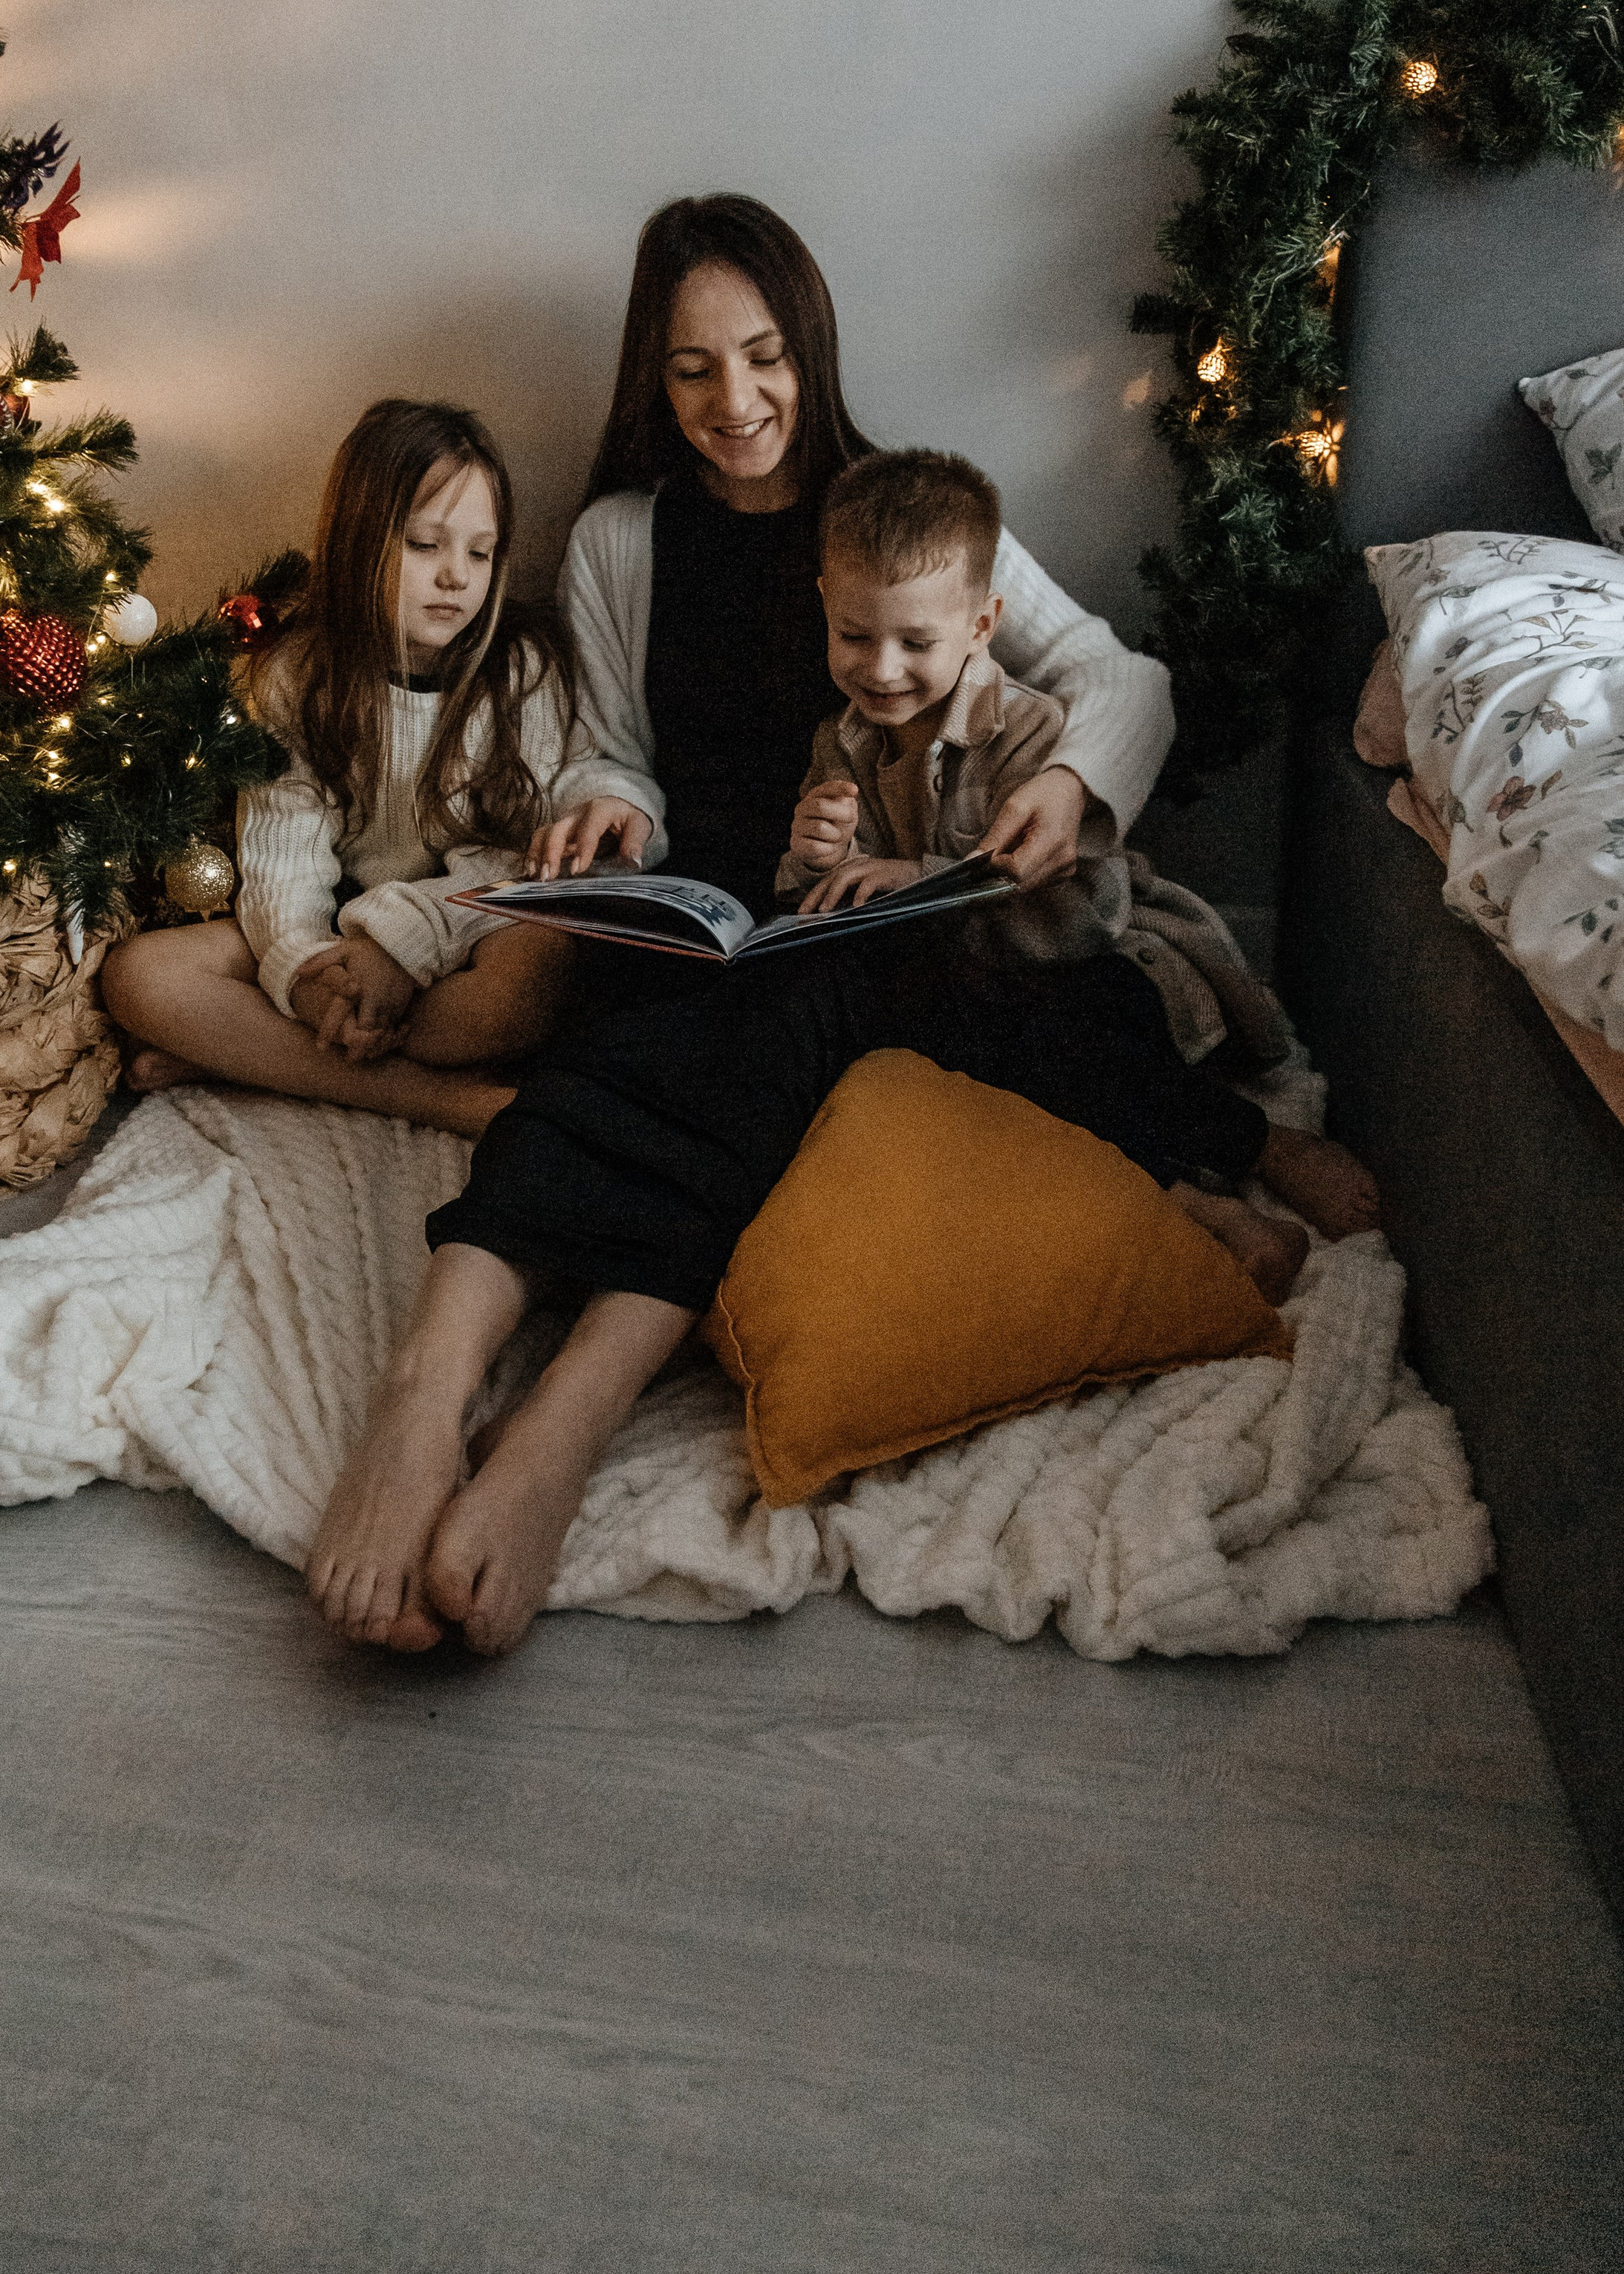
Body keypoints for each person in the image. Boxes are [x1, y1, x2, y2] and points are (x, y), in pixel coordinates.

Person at [305, 449, 1380, 1663]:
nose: (883, 671)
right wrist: (809, 862)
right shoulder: (818, 714)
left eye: (915, 647)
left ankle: (1236, 1153)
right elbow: (755, 856)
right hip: (853, 988)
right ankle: (434, 1393)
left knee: (1079, 1047)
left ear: (983, 624)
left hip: (1030, 980)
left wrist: (962, 864)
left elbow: (1082, 913)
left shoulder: (1020, 721)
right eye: (856, 640)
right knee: (680, 1046)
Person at [529, 192, 1174, 920]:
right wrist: (613, 802)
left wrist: (1070, 785)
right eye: (692, 370)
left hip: (856, 911)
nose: (735, 401)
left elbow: (1124, 678)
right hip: (693, 902)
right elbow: (608, 752)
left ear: (809, 349)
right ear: (658, 380)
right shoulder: (615, 541)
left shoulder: (900, 522)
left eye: (764, 356)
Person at [102, 400, 579, 1136]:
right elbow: (280, 860)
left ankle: (254, 1057)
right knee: (140, 977)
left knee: (525, 986)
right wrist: (307, 975)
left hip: (465, 924)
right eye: (426, 545)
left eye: (480, 553)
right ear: (362, 542)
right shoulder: (298, 673)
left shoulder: (520, 668)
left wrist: (397, 947)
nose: (457, 577)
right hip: (334, 933)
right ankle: (430, 1099)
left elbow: (513, 858)